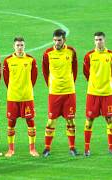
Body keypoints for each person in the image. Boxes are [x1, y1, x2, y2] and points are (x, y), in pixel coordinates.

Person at [42, 29, 78, 157]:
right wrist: (52, 85)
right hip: (54, 93)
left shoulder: (71, 51)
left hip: (69, 92)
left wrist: (69, 84)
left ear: (64, 40)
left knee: (70, 120)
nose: (57, 43)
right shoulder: (48, 53)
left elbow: (75, 69)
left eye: (59, 40)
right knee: (51, 121)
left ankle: (72, 148)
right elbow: (45, 71)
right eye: (55, 40)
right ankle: (47, 148)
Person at [83, 31, 112, 157]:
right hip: (92, 93)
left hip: (107, 93)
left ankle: (111, 148)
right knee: (89, 120)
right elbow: (86, 72)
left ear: (105, 40)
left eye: (101, 39)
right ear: (94, 41)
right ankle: (87, 149)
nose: (99, 42)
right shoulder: (89, 56)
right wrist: (94, 83)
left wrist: (106, 85)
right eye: (96, 40)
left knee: (109, 119)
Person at [3, 37, 39, 157]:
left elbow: (34, 77)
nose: (20, 47)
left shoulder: (30, 60)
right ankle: (11, 149)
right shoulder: (8, 60)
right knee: (11, 123)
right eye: (17, 45)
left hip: (27, 97)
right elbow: (6, 79)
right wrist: (14, 89)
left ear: (25, 46)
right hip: (13, 97)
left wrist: (27, 88)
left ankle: (32, 149)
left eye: (22, 45)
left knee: (30, 121)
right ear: (14, 46)